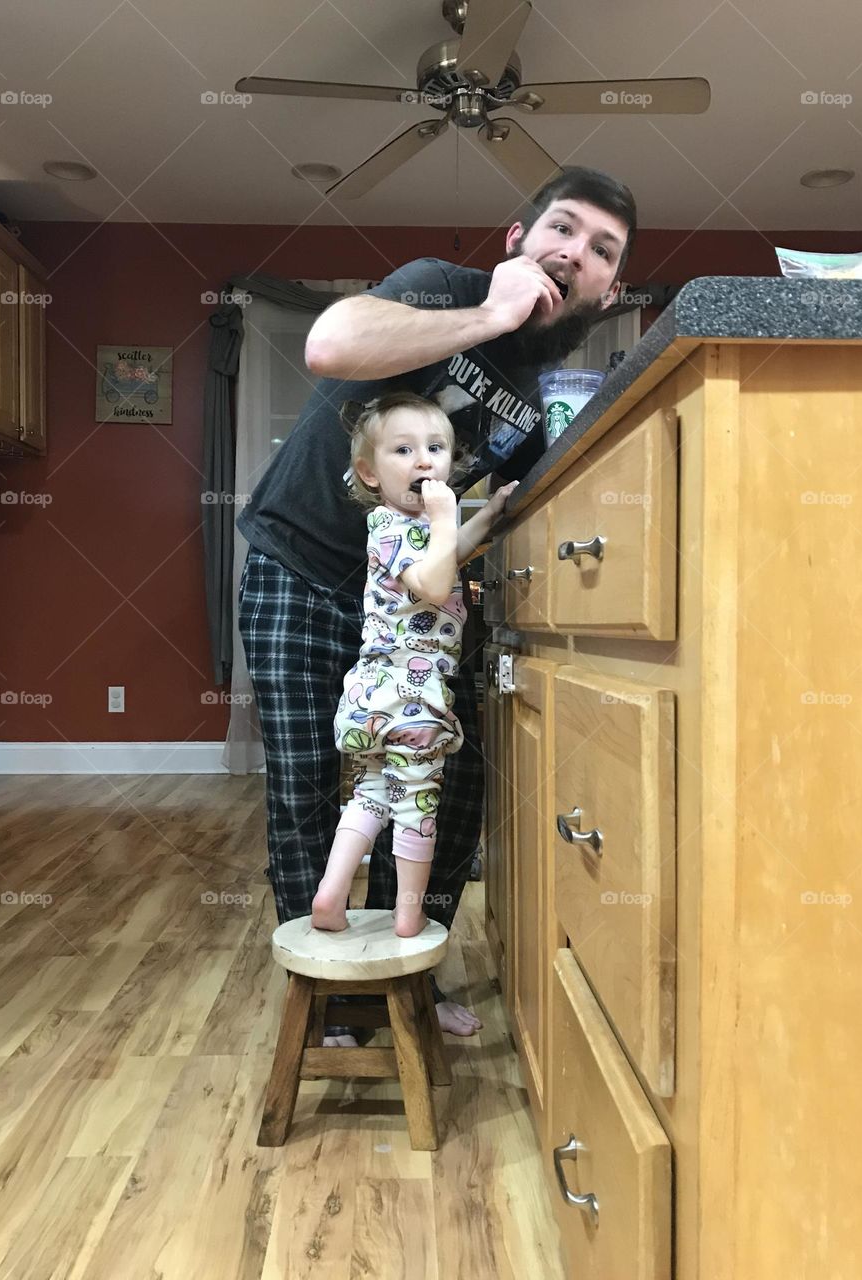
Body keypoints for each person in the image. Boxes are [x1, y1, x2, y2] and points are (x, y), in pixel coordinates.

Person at [239, 165, 636, 1043]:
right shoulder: (437, 288)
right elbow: (331, 344)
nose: (576, 254)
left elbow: (492, 517)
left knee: (446, 785)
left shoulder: (528, 411)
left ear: (609, 291)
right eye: (562, 230)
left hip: (411, 616)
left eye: (602, 250)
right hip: (299, 565)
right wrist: (491, 314)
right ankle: (335, 994)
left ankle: (409, 970)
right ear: (517, 240)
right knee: (308, 781)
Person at [311, 392, 518, 938]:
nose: (424, 461)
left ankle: (331, 896)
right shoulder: (392, 527)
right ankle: (408, 914)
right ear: (370, 473)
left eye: (436, 447)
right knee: (418, 804)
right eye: (403, 450)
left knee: (373, 793)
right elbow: (434, 582)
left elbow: (446, 555)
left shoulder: (411, 526)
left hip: (374, 696)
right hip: (411, 697)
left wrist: (486, 518)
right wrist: (449, 515)